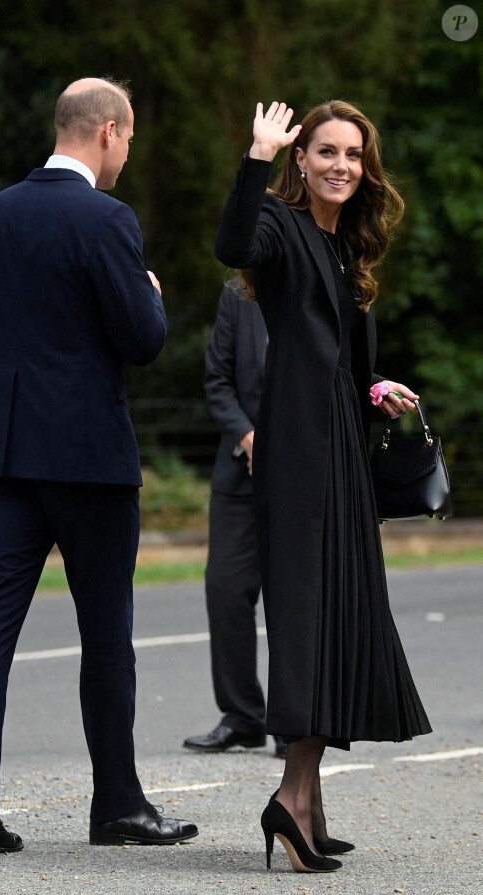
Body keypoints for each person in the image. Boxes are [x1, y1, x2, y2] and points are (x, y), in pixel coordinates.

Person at [0, 77, 198, 854]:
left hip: (10, 450)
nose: (126, 154)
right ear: (109, 131)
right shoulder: (105, 218)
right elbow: (144, 339)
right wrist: (151, 292)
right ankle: (117, 805)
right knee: (105, 632)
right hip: (89, 458)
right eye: (128, 140)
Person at [215, 99, 432, 874]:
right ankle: (289, 796)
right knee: (309, 618)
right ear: (302, 162)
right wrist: (257, 157)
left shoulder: (345, 249)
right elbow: (231, 242)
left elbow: (331, 349)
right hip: (300, 451)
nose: (342, 165)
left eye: (354, 155)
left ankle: (305, 799)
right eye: (327, 152)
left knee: (337, 614)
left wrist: (372, 388)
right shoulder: (279, 222)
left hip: (339, 442)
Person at [182, 281, 285, 758]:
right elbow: (217, 379)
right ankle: (243, 716)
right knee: (225, 590)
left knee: (293, 598)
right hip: (238, 472)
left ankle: (295, 723)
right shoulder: (237, 293)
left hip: (302, 473)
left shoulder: (325, 277)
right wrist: (248, 438)